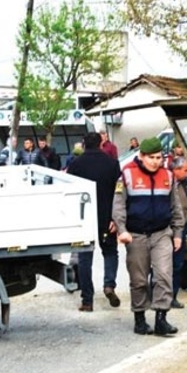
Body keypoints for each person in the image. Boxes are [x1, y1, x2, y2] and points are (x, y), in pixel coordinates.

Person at [112, 137, 185, 336]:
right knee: (140, 280)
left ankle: (161, 318)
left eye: (159, 157)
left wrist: (178, 233)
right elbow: (118, 206)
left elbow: (176, 207)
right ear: (142, 156)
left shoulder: (168, 176)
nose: (155, 161)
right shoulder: (127, 175)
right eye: (151, 157)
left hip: (162, 234)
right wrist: (122, 230)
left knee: (163, 275)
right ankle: (140, 318)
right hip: (136, 235)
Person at [68, 133, 122, 312]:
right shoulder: (112, 164)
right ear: (101, 144)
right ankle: (109, 285)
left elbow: (71, 194)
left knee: (84, 259)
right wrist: (116, 218)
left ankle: (87, 300)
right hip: (107, 218)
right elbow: (118, 193)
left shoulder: (76, 164)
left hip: (85, 218)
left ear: (83, 144)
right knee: (110, 252)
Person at [169, 156, 187, 309]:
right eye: (185, 170)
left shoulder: (186, 184)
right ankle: (157, 295)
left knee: (178, 264)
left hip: (182, 228)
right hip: (167, 229)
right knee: (162, 265)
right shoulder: (167, 183)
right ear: (176, 170)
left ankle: (172, 295)